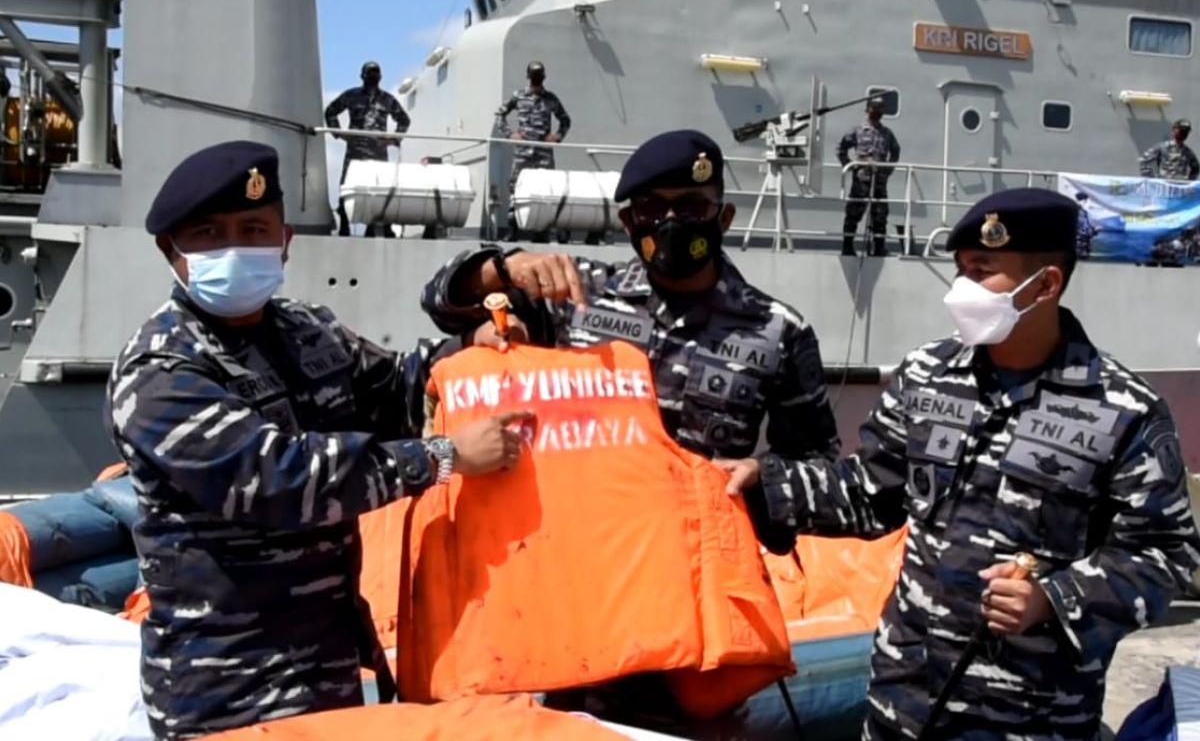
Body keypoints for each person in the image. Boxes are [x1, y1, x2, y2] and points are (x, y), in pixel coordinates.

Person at [727, 188, 1200, 740]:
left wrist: (1054, 597)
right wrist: (769, 484)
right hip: (903, 700)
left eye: (983, 272)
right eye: (961, 271)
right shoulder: (927, 374)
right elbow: (870, 489)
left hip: (1028, 718)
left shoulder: (1123, 411)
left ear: (1045, 284)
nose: (962, 291)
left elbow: (1167, 553)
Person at [104, 140, 530, 740]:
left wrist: (471, 353)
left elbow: (398, 390)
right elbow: (277, 479)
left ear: (285, 240)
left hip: (328, 662)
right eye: (209, 233)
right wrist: (443, 456)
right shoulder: (160, 368)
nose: (236, 247)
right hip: (226, 684)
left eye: (254, 229)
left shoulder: (311, 329)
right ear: (169, 250)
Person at [420, 129, 842, 730]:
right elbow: (442, 300)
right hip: (586, 607)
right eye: (652, 210)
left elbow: (821, 468)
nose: (672, 223)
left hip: (697, 629)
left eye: (691, 207)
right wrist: (502, 266)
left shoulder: (778, 331)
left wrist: (762, 479)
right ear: (627, 222)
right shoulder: (575, 296)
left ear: (723, 215)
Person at [324, 61, 411, 238]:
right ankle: (344, 225)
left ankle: (377, 226)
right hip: (355, 150)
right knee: (346, 187)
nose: (373, 76)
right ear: (362, 76)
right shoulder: (351, 95)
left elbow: (404, 120)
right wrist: (340, 134)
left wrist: (392, 139)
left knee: (379, 189)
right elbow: (330, 111)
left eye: (375, 72)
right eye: (369, 73)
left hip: (378, 152)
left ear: (380, 76)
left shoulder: (388, 99)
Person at [494, 60, 572, 244]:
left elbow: (565, 120)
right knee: (515, 189)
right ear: (529, 76)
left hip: (543, 152)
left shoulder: (550, 99)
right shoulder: (518, 96)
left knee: (546, 191)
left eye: (539, 74)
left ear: (543, 77)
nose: (537, 78)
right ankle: (512, 229)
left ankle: (542, 230)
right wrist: (510, 134)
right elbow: (499, 115)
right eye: (534, 74)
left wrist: (558, 136)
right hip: (523, 152)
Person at [837, 98, 901, 257]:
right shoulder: (857, 130)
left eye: (880, 109)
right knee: (854, 213)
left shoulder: (887, 133)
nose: (877, 112)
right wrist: (850, 165)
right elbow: (841, 148)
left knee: (880, 215)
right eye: (874, 108)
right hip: (861, 179)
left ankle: (879, 248)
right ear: (868, 110)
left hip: (879, 179)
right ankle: (847, 247)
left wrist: (888, 169)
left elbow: (895, 151)